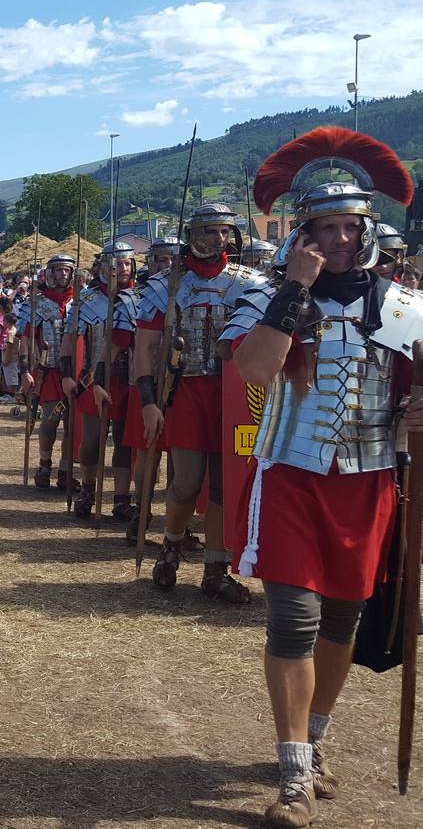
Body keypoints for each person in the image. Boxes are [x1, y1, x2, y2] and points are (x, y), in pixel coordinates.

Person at [222, 126, 423, 828]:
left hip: (369, 479)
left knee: (344, 617)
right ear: (303, 235)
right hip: (290, 474)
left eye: (350, 227)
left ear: (368, 230)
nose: (340, 240)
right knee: (294, 617)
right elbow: (254, 370)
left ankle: (315, 736)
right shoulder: (269, 299)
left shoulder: (410, 308)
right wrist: (295, 288)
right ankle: (293, 773)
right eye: (325, 228)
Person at [133, 204, 267, 603]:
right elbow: (145, 349)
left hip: (235, 396)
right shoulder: (166, 285)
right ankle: (171, 547)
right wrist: (148, 402)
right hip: (186, 391)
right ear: (193, 235)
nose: (217, 239)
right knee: (188, 482)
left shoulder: (251, 284)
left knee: (225, 486)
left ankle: (215, 569)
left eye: (224, 231)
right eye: (209, 231)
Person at [62, 242, 138, 521]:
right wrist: (67, 375)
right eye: (117, 264)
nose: (123, 269)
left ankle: (121, 498)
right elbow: (68, 341)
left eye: (128, 263)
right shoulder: (86, 300)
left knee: (124, 443)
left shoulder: (141, 298)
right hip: (92, 378)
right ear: (104, 267)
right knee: (92, 441)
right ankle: (87, 489)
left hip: (129, 380)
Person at [19, 254, 79, 490]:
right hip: (49, 371)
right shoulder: (37, 304)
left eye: (67, 270)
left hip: (77, 373)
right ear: (50, 273)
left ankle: (65, 470)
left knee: (73, 425)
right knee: (50, 421)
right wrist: (25, 371)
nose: (63, 274)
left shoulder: (81, 302)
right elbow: (25, 340)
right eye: (58, 270)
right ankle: (45, 465)